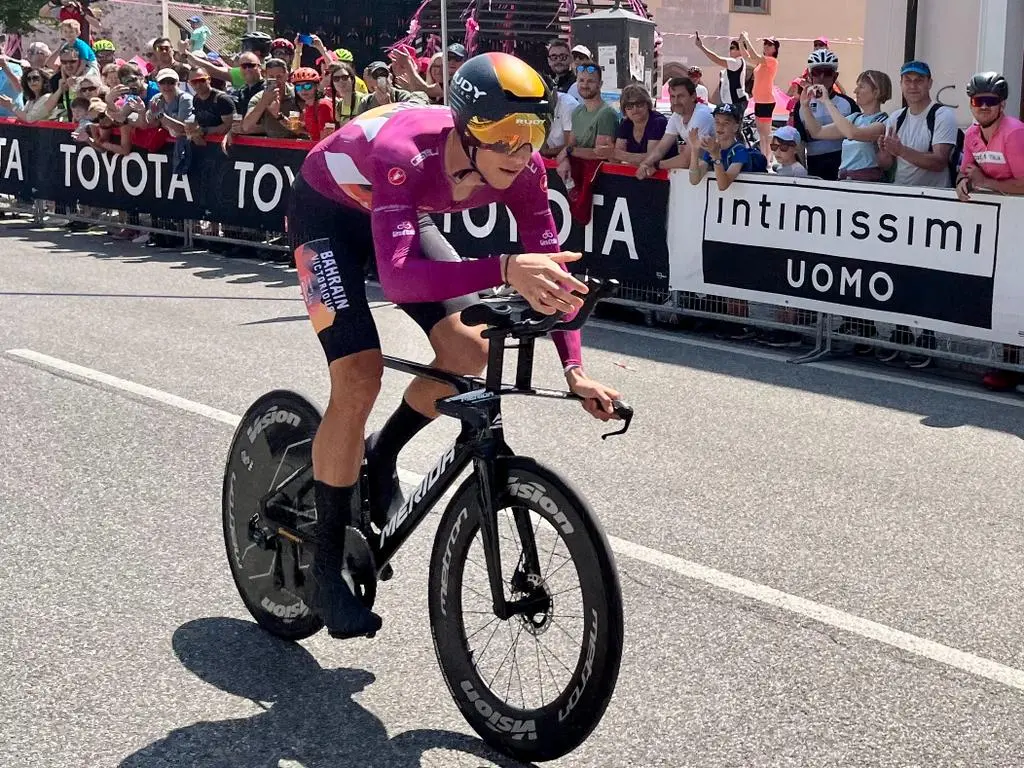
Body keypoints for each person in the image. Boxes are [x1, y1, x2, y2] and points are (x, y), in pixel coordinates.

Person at [286, 52, 623, 639]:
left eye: (534, 134)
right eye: (506, 136)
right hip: (327, 213)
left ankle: (382, 454)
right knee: (360, 374)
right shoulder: (406, 151)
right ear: (467, 130)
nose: (521, 152)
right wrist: (505, 265)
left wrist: (575, 370)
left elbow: (555, 277)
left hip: (397, 212)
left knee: (471, 349)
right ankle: (321, 569)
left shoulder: (526, 171)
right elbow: (398, 278)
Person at [954, 72, 1024, 392]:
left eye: (990, 101)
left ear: (1002, 105)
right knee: (1004, 291)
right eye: (977, 101)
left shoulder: (1014, 134)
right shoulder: (971, 134)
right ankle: (1007, 362)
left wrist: (986, 182)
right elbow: (965, 171)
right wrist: (964, 184)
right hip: (1002, 222)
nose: (983, 106)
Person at [800, 69, 890, 181]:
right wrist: (805, 106)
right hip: (845, 179)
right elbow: (817, 132)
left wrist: (827, 101)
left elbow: (852, 133)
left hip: (867, 182)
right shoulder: (855, 118)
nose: (855, 91)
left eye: (861, 87)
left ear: (876, 92)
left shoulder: (882, 121)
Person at [789, 48, 858, 181]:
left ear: (835, 76)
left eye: (827, 73)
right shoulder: (801, 104)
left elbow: (857, 141)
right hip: (815, 165)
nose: (821, 77)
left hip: (844, 167)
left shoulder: (848, 104)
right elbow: (800, 142)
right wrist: (803, 172)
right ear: (810, 75)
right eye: (817, 72)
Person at [636, 77, 710, 177]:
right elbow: (661, 148)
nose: (675, 102)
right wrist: (646, 163)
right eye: (672, 96)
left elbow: (686, 160)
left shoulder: (701, 115)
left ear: (693, 96)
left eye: (680, 96)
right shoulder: (677, 115)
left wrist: (656, 165)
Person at [688, 102, 755, 191]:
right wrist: (694, 150)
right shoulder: (712, 148)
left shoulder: (740, 151)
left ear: (735, 127)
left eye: (726, 123)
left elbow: (723, 185)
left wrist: (716, 157)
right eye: (717, 122)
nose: (720, 127)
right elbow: (694, 180)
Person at [740, 32, 779, 164]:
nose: (766, 46)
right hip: (759, 101)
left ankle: (769, 159)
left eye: (770, 45)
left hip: (767, 101)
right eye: (765, 44)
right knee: (761, 133)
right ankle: (764, 158)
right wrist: (741, 43)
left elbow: (755, 56)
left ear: (775, 49)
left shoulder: (771, 61)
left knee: (767, 133)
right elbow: (747, 56)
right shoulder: (761, 63)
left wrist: (747, 39)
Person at [694, 31, 747, 116]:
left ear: (740, 50)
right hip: (732, 101)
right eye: (730, 48)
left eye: (733, 48)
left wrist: (701, 47)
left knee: (731, 127)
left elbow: (716, 59)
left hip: (735, 102)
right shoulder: (736, 63)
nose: (730, 50)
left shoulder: (736, 62)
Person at [613, 83, 667, 165]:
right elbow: (617, 159)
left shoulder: (658, 122)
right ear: (624, 110)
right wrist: (608, 152)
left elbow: (652, 159)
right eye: (629, 106)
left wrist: (617, 154)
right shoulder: (626, 123)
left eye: (639, 104)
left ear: (647, 104)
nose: (635, 109)